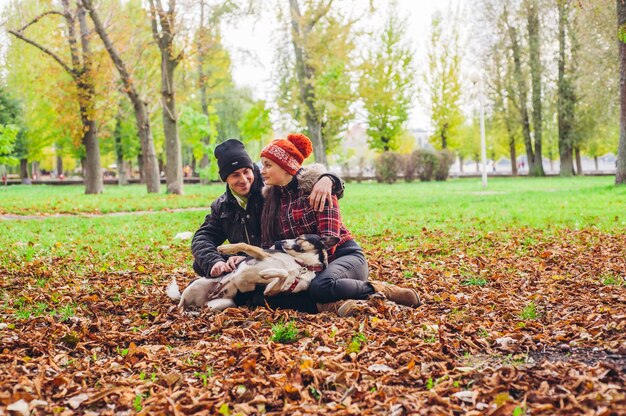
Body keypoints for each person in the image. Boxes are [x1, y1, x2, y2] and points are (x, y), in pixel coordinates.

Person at [191, 139, 358, 315]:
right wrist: (216, 261)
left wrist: (329, 179)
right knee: (203, 265)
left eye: (246, 171)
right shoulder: (223, 205)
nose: (244, 180)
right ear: (225, 179)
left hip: (294, 257)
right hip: (268, 258)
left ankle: (331, 301)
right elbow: (203, 237)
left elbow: (300, 176)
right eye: (235, 175)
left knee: (312, 287)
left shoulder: (270, 188)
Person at [260, 133, 421, 308]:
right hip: (306, 265)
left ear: (286, 167)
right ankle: (343, 304)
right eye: (263, 165)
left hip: (343, 256)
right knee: (266, 295)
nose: (262, 171)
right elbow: (268, 243)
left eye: (268, 165)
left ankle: (382, 290)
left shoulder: (318, 189)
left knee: (319, 287)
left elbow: (329, 240)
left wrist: (297, 267)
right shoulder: (273, 200)